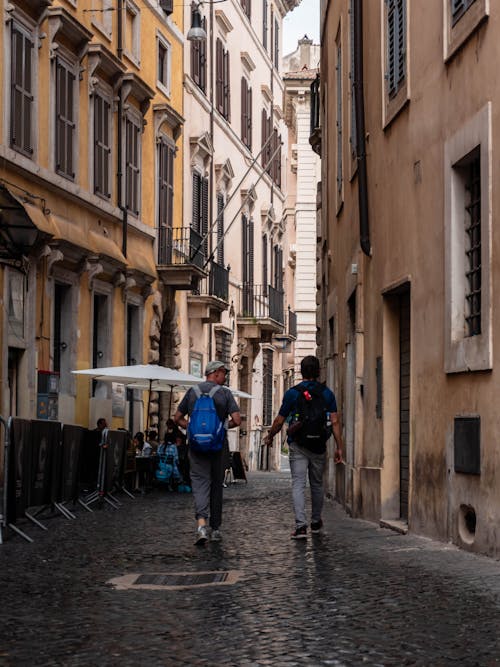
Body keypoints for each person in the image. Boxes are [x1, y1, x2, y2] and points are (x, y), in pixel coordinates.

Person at [264, 355, 344, 539]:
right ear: (318, 371)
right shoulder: (327, 394)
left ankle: (300, 527)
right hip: (319, 446)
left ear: (301, 371)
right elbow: (335, 421)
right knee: (316, 484)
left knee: (298, 485)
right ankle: (316, 522)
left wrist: (270, 436)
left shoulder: (293, 393)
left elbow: (279, 420)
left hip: (298, 445)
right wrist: (339, 447)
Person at [174, 360, 241, 544]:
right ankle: (216, 528)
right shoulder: (225, 393)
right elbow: (236, 419)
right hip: (218, 446)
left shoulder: (192, 392)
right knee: (216, 486)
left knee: (200, 484)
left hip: (196, 446)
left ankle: (201, 525)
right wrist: (220, 427)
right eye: (224, 373)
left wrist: (192, 428)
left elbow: (177, 418)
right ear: (217, 372)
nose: (225, 377)